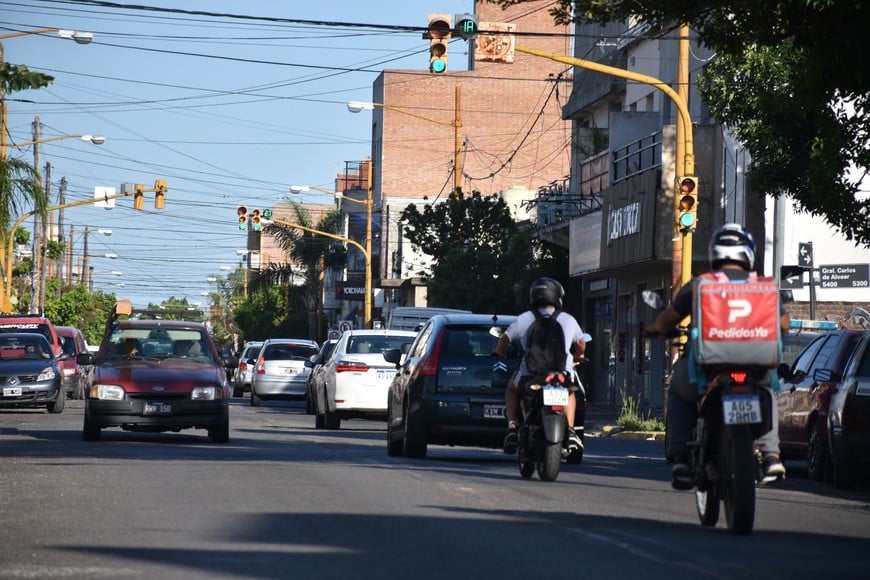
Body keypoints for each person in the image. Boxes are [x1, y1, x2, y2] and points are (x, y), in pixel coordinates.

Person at [646, 223, 788, 489]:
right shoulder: (764, 286)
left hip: (709, 366)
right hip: (754, 365)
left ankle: (682, 460)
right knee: (767, 390)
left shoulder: (701, 285)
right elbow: (783, 325)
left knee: (678, 391)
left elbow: (668, 319)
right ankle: (771, 456)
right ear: (748, 254)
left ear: (715, 254)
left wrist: (657, 329)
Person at [494, 277, 586, 455]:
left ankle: (512, 426)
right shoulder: (568, 319)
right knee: (570, 392)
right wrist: (579, 356)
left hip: (531, 375)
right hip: (562, 375)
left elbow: (504, 339)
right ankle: (572, 430)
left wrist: (501, 352)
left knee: (512, 389)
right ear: (557, 296)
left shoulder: (525, 319)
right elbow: (581, 343)